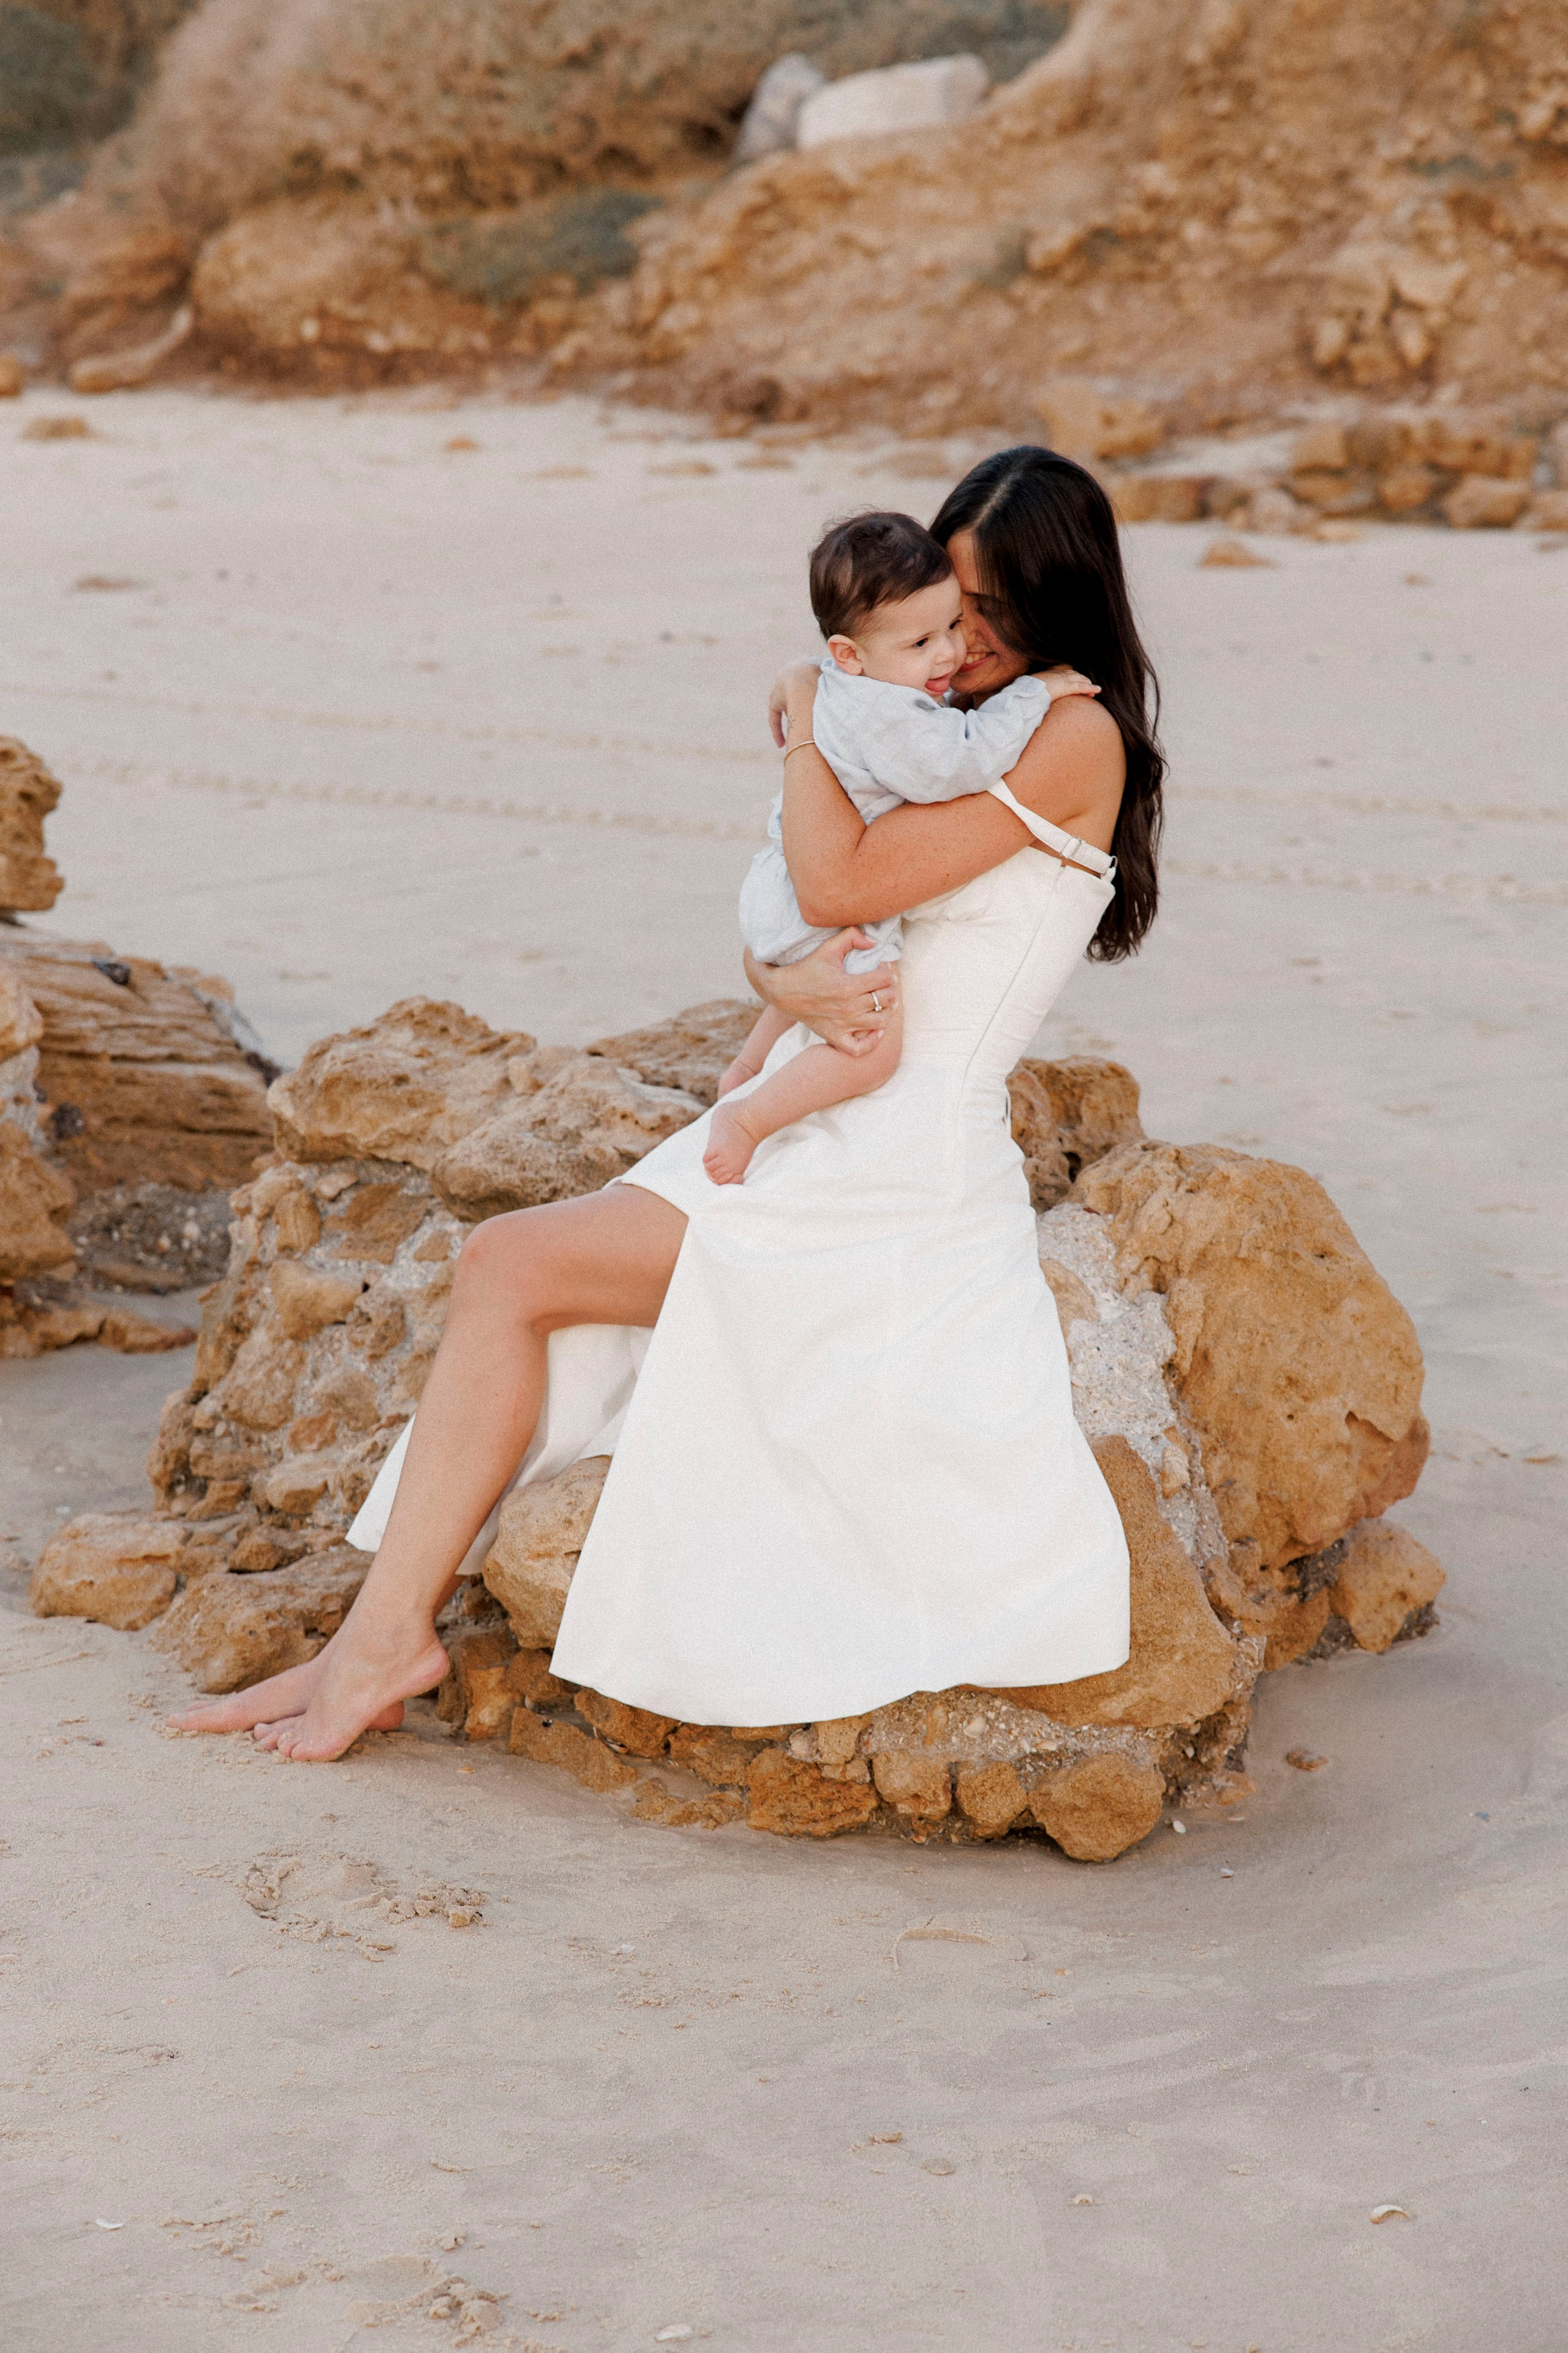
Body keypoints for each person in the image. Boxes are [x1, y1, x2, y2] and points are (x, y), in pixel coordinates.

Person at [171, 444, 1165, 1761]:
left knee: (511, 1263)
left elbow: (836, 885)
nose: (958, 636)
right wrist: (776, 978)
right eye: (944, 601)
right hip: (824, 1117)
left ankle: (380, 1640)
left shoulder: (1069, 730)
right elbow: (806, 938)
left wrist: (818, 706)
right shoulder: (949, 726)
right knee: (511, 1271)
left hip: (888, 1170)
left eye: (988, 610)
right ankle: (376, 1635)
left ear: (1055, 602)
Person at [706, 507, 1096, 1185]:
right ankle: (748, 1113)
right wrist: (1034, 691)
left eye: (962, 618)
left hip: (780, 891)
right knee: (872, 1049)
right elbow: (960, 763)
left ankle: (745, 1070)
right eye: (927, 637)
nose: (953, 649)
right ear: (850, 653)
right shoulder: (898, 713)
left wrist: (804, 688)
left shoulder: (856, 685)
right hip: (811, 903)